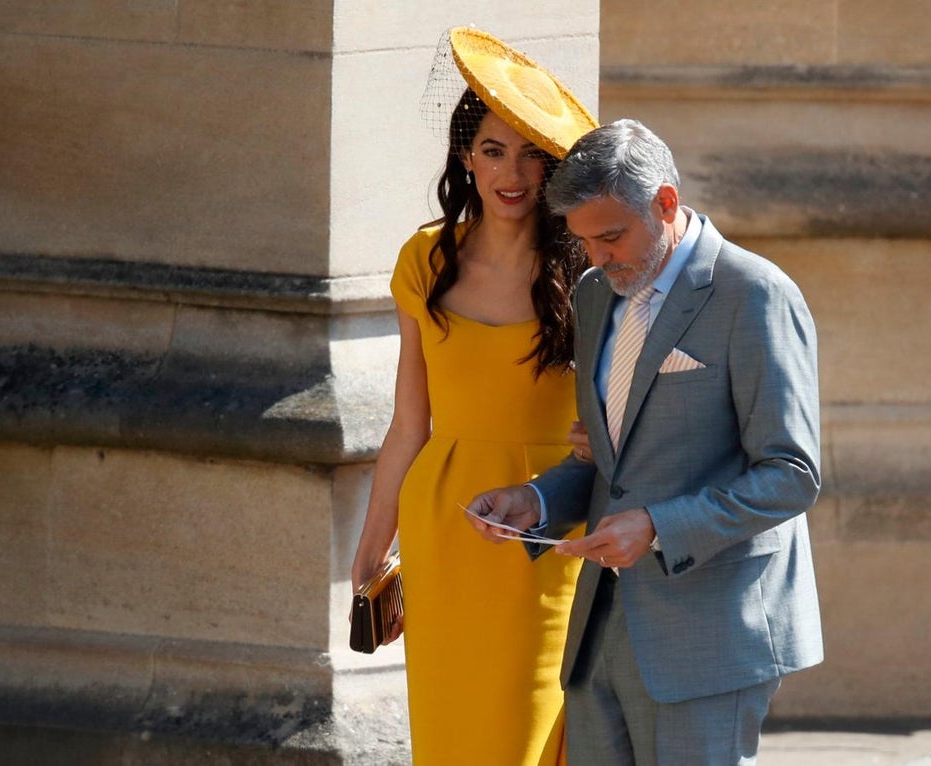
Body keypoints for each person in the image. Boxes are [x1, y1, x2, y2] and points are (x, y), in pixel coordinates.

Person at [465, 119, 824, 765]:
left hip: (710, 632)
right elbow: (613, 461)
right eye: (585, 241)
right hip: (599, 629)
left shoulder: (756, 294)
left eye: (611, 236)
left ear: (665, 203)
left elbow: (791, 473)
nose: (599, 256)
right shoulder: (596, 294)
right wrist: (537, 500)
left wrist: (656, 527)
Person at [350, 27, 597, 766]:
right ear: (465, 156)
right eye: (492, 150)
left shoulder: (588, 269)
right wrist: (370, 548)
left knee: (528, 733)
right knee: (452, 736)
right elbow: (407, 425)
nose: (511, 173)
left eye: (530, 152)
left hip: (545, 535)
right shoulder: (424, 259)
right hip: (442, 527)